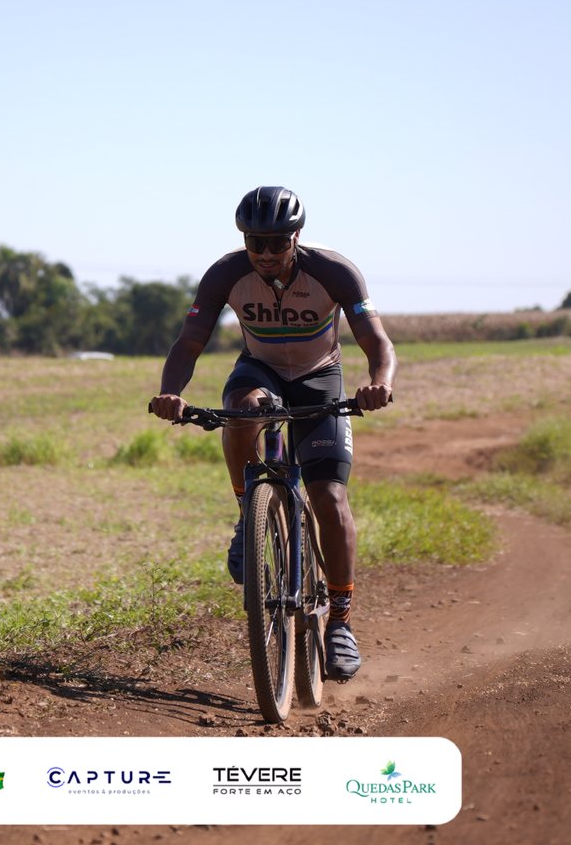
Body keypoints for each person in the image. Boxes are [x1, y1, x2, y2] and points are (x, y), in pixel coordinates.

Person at [149, 186, 396, 681]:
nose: (264, 253)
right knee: (240, 412)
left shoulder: (334, 272)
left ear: (296, 237)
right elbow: (190, 341)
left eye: (276, 242)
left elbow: (377, 342)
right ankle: (249, 513)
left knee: (329, 498)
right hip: (259, 370)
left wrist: (380, 383)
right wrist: (170, 392)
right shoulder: (225, 274)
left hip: (319, 377)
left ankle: (340, 621)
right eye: (254, 242)